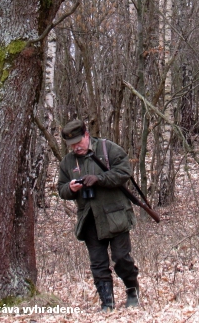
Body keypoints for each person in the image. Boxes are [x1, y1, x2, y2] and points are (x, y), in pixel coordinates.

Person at [57, 119, 140, 312]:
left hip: (115, 215)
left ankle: (132, 291)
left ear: (87, 135)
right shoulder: (68, 162)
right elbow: (61, 189)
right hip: (89, 218)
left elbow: (124, 171)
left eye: (79, 142)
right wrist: (71, 188)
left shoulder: (107, 149)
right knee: (98, 263)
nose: (76, 147)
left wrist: (99, 179)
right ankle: (107, 303)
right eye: (72, 145)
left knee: (121, 258)